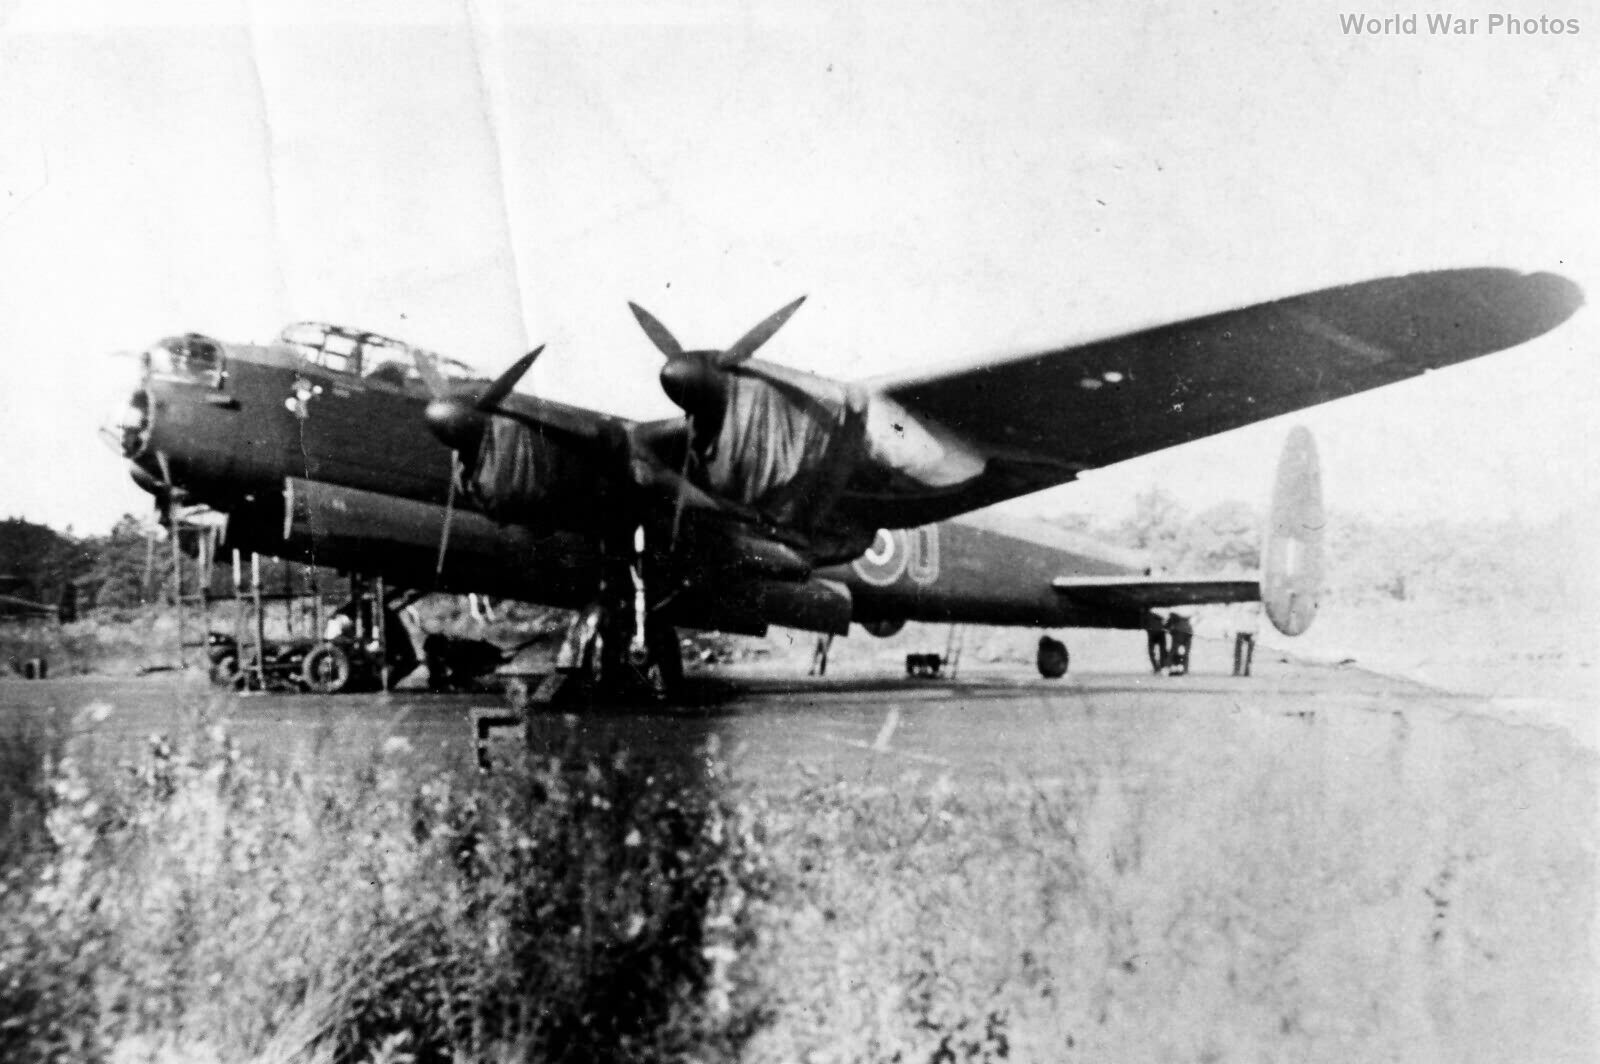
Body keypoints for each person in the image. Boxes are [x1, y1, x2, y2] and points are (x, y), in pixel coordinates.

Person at [1233, 603, 1259, 677]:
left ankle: (1242, 669)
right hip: (1246, 625)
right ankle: (1242, 669)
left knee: (1244, 649)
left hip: (1249, 626)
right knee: (1243, 649)